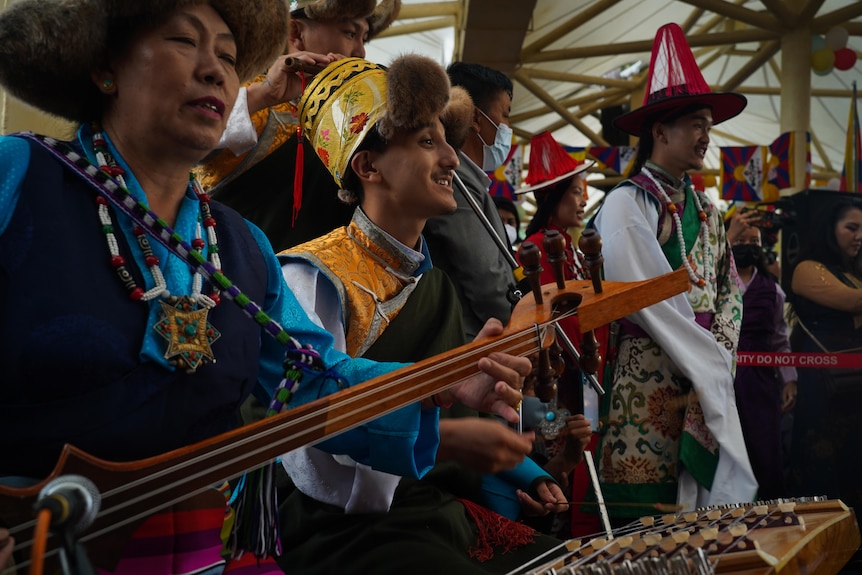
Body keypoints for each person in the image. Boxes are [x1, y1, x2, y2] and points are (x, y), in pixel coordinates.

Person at [0, 2, 528, 572]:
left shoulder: (239, 245)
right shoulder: (23, 174)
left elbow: (315, 380)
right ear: (106, 67)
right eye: (185, 42)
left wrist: (446, 380)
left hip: (203, 555)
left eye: (228, 56)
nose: (215, 71)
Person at [275, 54, 566, 575]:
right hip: (337, 528)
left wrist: (521, 469)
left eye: (447, 141)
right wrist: (452, 434)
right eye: (427, 142)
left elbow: (452, 421)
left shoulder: (435, 287)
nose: (453, 159)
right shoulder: (312, 275)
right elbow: (305, 427)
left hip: (427, 509)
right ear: (368, 166)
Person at [591, 23, 756, 521]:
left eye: (709, 124)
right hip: (649, 373)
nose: (707, 136)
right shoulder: (626, 203)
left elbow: (731, 289)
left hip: (702, 366)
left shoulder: (707, 208)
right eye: (697, 124)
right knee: (645, 511)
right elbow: (643, 296)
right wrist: (704, 354)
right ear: (660, 132)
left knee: (695, 519)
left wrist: (719, 352)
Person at [196, 0, 401, 252]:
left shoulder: (359, 116)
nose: (360, 51)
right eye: (349, 33)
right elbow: (184, 139)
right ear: (296, 33)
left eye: (364, 38)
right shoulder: (244, 93)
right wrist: (263, 95)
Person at [515, 131, 603, 538]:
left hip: (580, 373)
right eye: (576, 192)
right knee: (562, 451)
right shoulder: (535, 247)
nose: (583, 200)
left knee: (580, 446)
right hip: (556, 376)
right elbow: (551, 319)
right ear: (554, 197)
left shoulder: (571, 248)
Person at [423, 62, 518, 340]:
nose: (508, 127)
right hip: (471, 344)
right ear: (475, 118)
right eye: (506, 115)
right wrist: (521, 321)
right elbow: (486, 278)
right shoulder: (455, 179)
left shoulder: (469, 180)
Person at [787, 198, 862, 530]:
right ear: (829, 230)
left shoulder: (854, 273)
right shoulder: (807, 269)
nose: (859, 236)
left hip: (854, 389)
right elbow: (852, 301)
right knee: (821, 464)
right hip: (823, 387)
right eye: (852, 227)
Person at [726, 211, 797, 500]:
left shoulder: (773, 291)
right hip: (723, 377)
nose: (747, 245)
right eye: (740, 239)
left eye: (753, 240)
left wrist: (790, 380)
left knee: (765, 448)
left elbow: (780, 339)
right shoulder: (717, 285)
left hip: (762, 382)